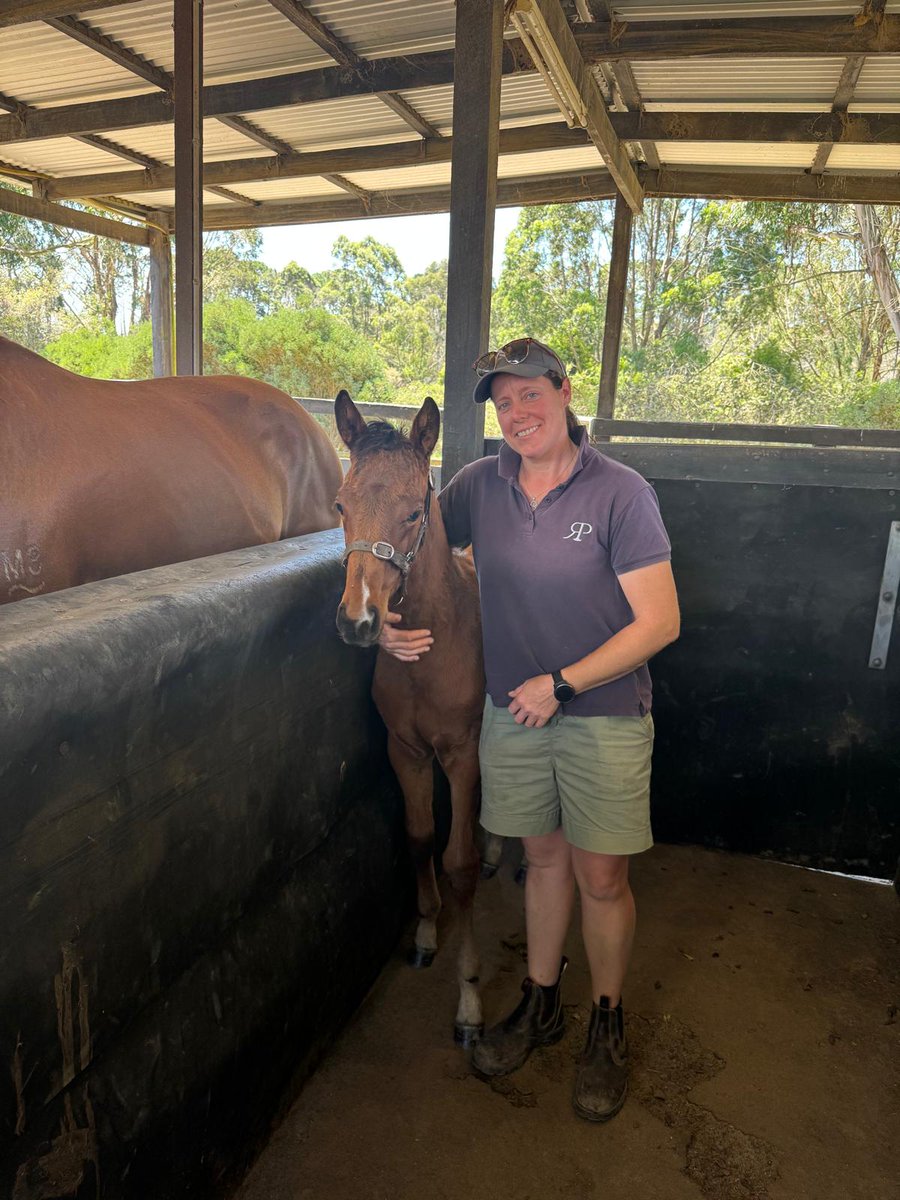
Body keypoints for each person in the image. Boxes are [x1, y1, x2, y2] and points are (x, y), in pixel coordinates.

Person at [380, 337, 679, 1122]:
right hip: (514, 714)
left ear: (563, 390)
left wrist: (562, 684)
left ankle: (606, 1023)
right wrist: (382, 623)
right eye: (503, 403)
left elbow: (660, 622)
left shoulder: (620, 492)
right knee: (543, 864)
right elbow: (409, 547)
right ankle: (543, 1002)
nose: (517, 413)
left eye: (529, 395)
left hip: (602, 716)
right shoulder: (480, 485)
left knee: (601, 879)